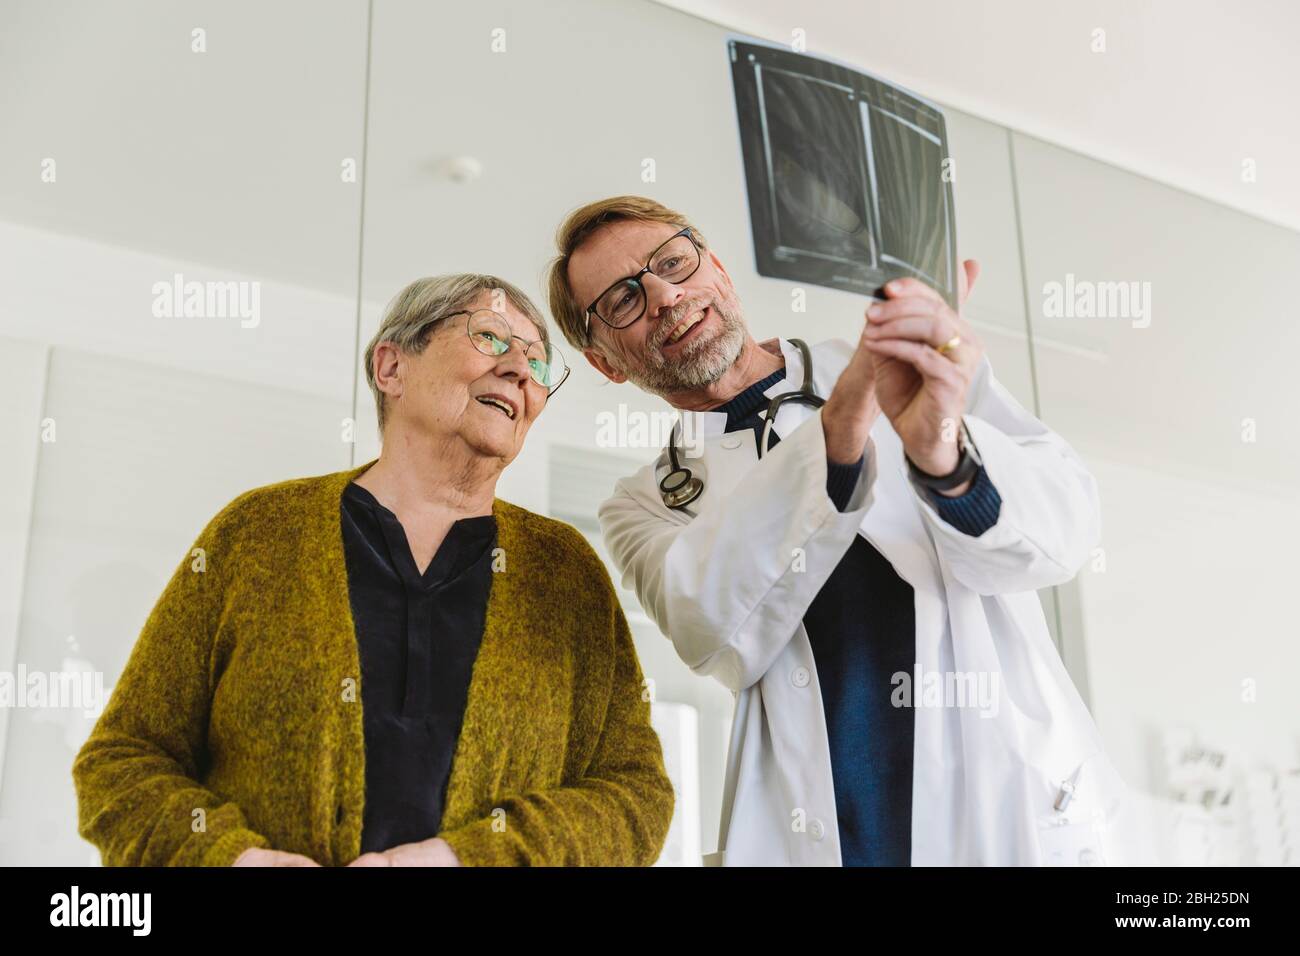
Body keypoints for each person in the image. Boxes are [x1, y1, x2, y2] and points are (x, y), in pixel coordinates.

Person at [546, 195, 1152, 866]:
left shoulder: (908, 363)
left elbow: (1065, 532)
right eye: (624, 299)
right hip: (835, 836)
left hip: (1010, 810)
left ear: (717, 268)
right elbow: (712, 630)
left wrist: (946, 463)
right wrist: (836, 434)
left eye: (673, 262)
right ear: (604, 361)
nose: (663, 294)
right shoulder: (643, 505)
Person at [72, 273, 675, 867]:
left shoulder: (566, 571)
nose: (521, 369)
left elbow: (635, 797)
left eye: (539, 364)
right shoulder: (257, 531)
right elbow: (123, 760)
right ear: (392, 368)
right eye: (491, 337)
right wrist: (236, 861)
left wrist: (465, 861)